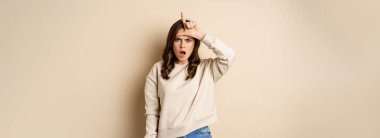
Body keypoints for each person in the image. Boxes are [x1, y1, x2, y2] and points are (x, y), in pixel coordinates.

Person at [144, 12, 236, 138]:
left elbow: (229, 56)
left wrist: (202, 35)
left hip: (198, 134)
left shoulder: (206, 68)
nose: (183, 45)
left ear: (195, 43)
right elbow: (152, 111)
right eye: (178, 40)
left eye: (188, 40)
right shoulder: (157, 69)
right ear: (171, 43)